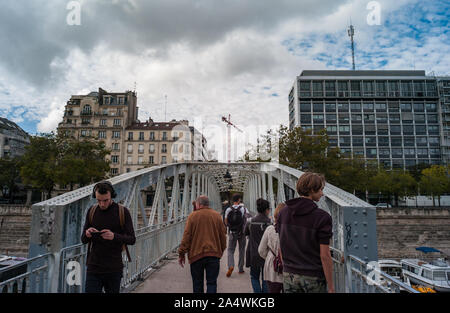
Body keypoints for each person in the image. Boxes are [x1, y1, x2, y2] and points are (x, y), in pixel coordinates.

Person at [276, 172, 334, 293]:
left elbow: (281, 245)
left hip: (289, 275)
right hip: (313, 277)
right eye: (321, 190)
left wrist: (287, 267)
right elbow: (325, 255)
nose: (322, 194)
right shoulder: (322, 217)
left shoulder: (283, 213)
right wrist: (331, 286)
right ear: (312, 190)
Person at [81, 181, 136, 293]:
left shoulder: (122, 212)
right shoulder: (92, 211)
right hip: (94, 267)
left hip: (113, 269)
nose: (102, 204)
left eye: (105, 200)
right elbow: (83, 240)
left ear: (112, 196)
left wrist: (114, 236)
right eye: (98, 200)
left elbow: (132, 239)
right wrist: (88, 233)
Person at [178, 195, 227, 293]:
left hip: (196, 256)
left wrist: (181, 253)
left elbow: (187, 236)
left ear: (199, 204)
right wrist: (220, 251)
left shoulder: (192, 216)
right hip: (213, 254)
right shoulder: (217, 215)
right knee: (212, 283)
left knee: (197, 283)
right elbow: (223, 235)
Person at [244, 198, 271, 293]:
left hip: (253, 253)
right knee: (266, 278)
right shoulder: (270, 223)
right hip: (266, 255)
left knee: (254, 277)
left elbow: (246, 233)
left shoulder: (250, 221)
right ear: (267, 210)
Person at [258, 202, 286, 293]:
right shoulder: (293, 230)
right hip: (288, 268)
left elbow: (261, 250)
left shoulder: (270, 229)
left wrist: (271, 257)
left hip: (272, 268)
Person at [224, 193, 249, 277]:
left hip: (232, 232)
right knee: (241, 250)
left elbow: (226, 221)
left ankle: (231, 266)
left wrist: (230, 227)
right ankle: (240, 269)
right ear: (239, 200)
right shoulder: (243, 209)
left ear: (232, 200)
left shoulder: (228, 209)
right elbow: (247, 220)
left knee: (230, 250)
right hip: (241, 233)